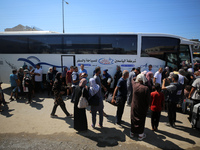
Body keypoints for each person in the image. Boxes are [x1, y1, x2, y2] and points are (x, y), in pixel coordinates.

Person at [130, 74, 150, 140]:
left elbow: (132, 79)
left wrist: (137, 77)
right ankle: (140, 135)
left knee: (133, 119)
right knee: (141, 120)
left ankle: (132, 133)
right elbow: (148, 100)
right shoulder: (146, 88)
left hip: (134, 106)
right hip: (142, 107)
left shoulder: (134, 85)